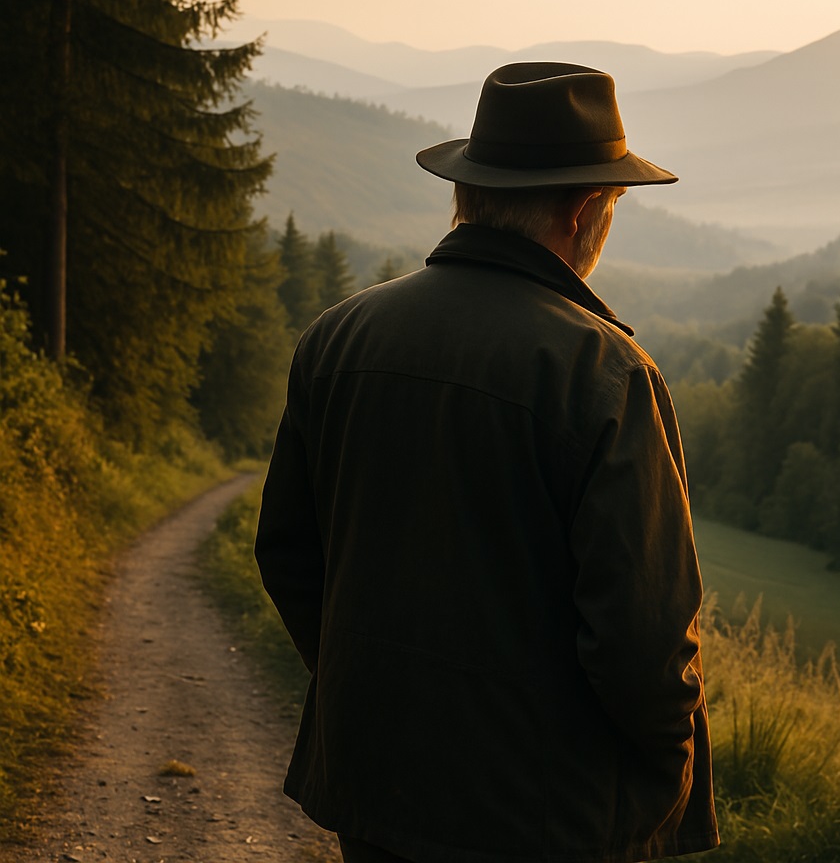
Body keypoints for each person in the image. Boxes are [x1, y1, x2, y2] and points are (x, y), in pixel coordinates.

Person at [255, 61, 719, 863]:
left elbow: (288, 554)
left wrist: (363, 688)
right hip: (545, 820)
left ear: (467, 193)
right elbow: (642, 643)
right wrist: (667, 772)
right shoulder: (606, 375)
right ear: (584, 210)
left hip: (375, 790)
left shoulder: (336, 337)